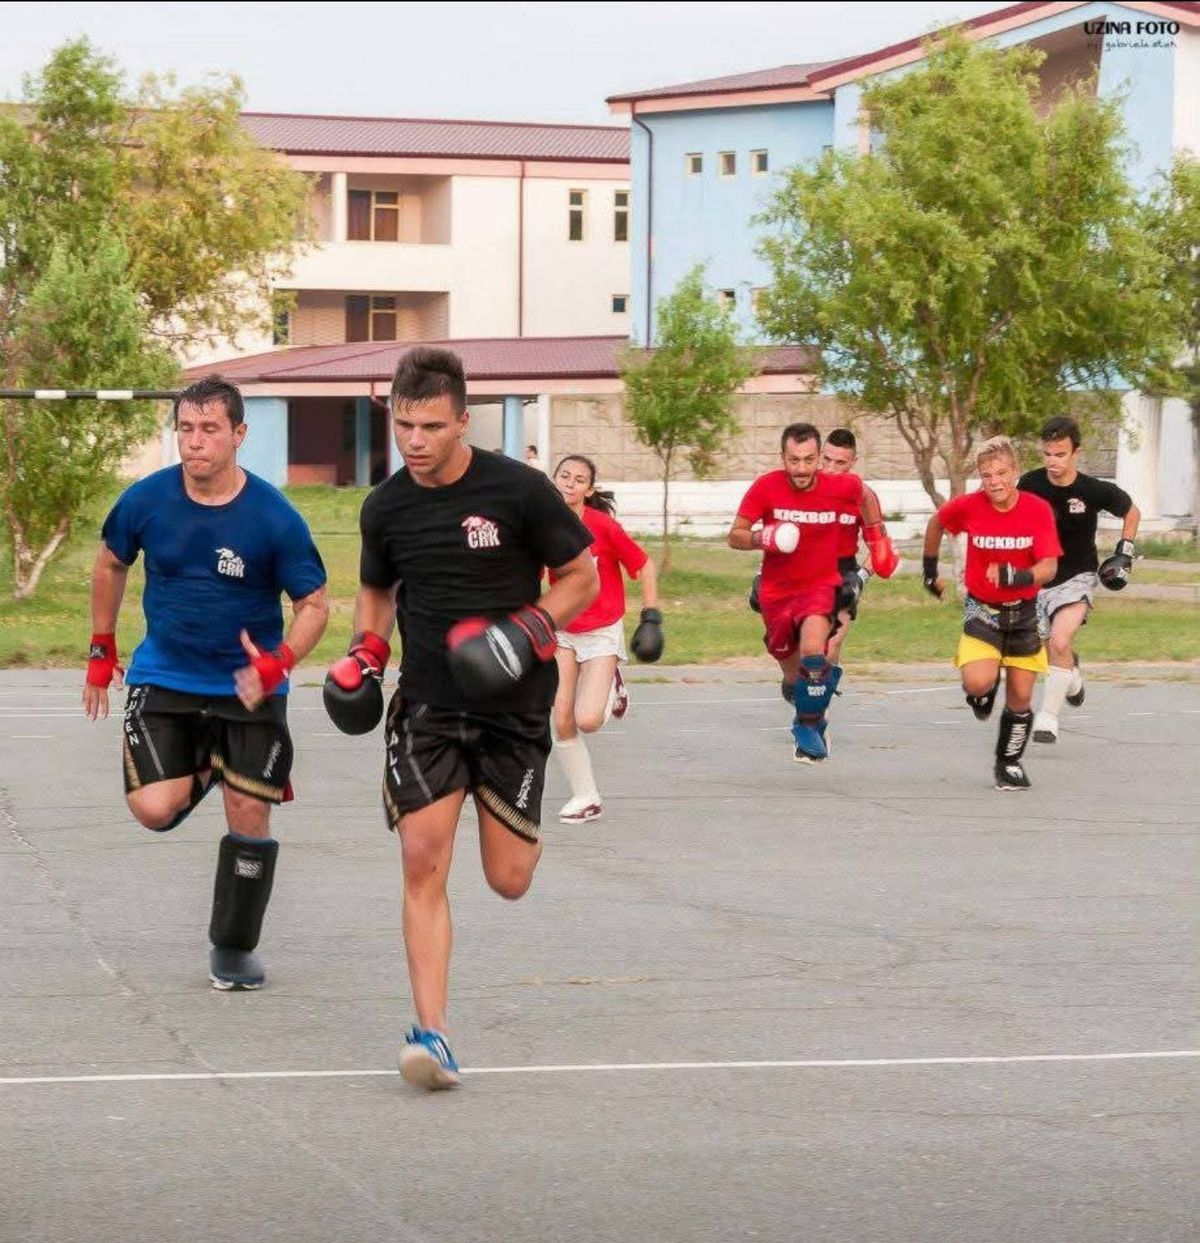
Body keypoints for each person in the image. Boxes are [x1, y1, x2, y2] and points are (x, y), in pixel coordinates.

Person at [323, 346, 598, 1090]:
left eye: (431, 425)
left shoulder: (519, 490)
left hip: (514, 708)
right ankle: (432, 1034)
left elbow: (582, 576)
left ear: (462, 420)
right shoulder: (385, 506)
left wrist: (526, 630)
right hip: (430, 706)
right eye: (403, 423)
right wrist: (367, 653)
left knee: (508, 879)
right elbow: (377, 592)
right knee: (421, 859)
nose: (415, 439)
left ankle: (495, 804)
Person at [82, 376, 329, 990]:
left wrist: (282, 661)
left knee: (249, 816)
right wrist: (101, 647)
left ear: (239, 435)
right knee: (153, 809)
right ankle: (216, 764)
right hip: (165, 673)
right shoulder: (146, 500)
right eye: (186, 429)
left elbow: (316, 605)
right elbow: (112, 561)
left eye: (210, 429)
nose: (195, 443)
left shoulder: (274, 517)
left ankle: (233, 948)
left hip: (248, 687)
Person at [729, 422, 896, 763]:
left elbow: (866, 497)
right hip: (779, 586)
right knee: (793, 676)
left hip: (825, 581)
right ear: (783, 457)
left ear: (817, 457)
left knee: (816, 651)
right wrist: (764, 537)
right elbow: (735, 535)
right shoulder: (766, 487)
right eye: (794, 460)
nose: (802, 468)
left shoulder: (843, 486)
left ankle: (808, 723)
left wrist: (878, 538)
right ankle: (810, 697)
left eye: (809, 460)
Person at [921, 435, 1060, 790]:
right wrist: (929, 570)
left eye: (1001, 473)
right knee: (978, 681)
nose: (994, 481)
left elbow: (1049, 567)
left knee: (1021, 697)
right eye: (986, 475)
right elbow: (937, 523)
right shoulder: (969, 506)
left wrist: (1019, 576)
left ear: (1015, 472)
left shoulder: (1036, 509)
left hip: (1025, 614)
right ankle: (983, 692)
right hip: (983, 610)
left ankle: (1008, 764)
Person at [549, 454, 663, 824]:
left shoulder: (603, 526)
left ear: (589, 489)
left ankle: (613, 680)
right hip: (564, 630)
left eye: (579, 479)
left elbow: (643, 565)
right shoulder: (544, 525)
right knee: (560, 717)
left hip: (600, 632)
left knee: (588, 720)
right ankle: (586, 797)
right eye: (564, 476)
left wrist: (650, 616)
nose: (570, 483)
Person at [1018, 416, 1140, 744]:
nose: (1052, 461)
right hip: (1038, 579)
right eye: (1047, 454)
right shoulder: (1029, 484)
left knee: (1059, 640)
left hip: (1078, 577)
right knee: (1050, 649)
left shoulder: (1093, 489)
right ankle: (1071, 676)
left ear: (1076, 453)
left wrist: (1124, 553)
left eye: (1060, 454)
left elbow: (1132, 512)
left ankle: (1047, 717)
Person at [819, 428, 898, 672]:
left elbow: (880, 549)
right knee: (801, 651)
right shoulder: (804, 487)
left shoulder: (863, 497)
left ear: (853, 462)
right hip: (805, 570)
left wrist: (862, 576)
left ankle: (821, 698)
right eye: (827, 459)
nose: (831, 468)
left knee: (829, 646)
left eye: (840, 462)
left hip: (842, 571)